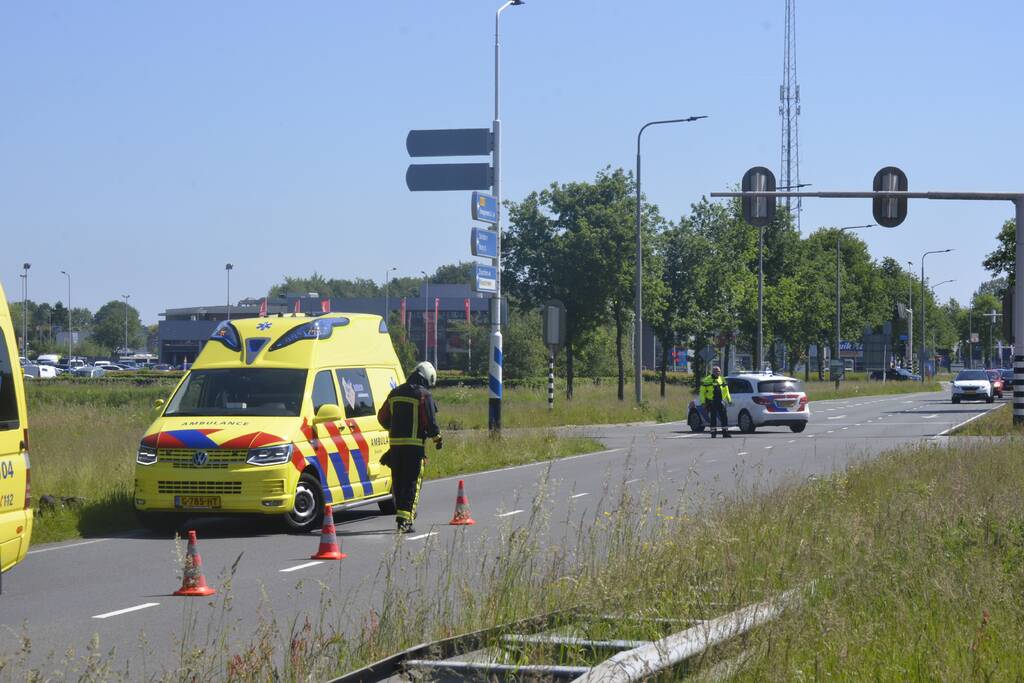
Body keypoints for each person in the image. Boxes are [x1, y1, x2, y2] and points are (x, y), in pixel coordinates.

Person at [376, 361, 443, 533]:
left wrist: (395, 428)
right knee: (413, 483)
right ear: (427, 378)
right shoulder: (423, 395)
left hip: (396, 448)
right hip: (414, 448)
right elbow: (430, 420)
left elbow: (382, 418)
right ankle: (405, 521)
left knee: (398, 483)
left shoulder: (395, 393)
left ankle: (403, 516)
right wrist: (437, 438)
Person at [700, 366, 732, 438]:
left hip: (721, 401)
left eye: (718, 371)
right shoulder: (706, 380)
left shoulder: (722, 379)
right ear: (713, 372)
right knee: (713, 417)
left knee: (724, 417)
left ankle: (725, 432)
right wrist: (703, 402)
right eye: (716, 371)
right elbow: (702, 392)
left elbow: (726, 390)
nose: (717, 372)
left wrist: (729, 399)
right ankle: (713, 433)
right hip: (711, 401)